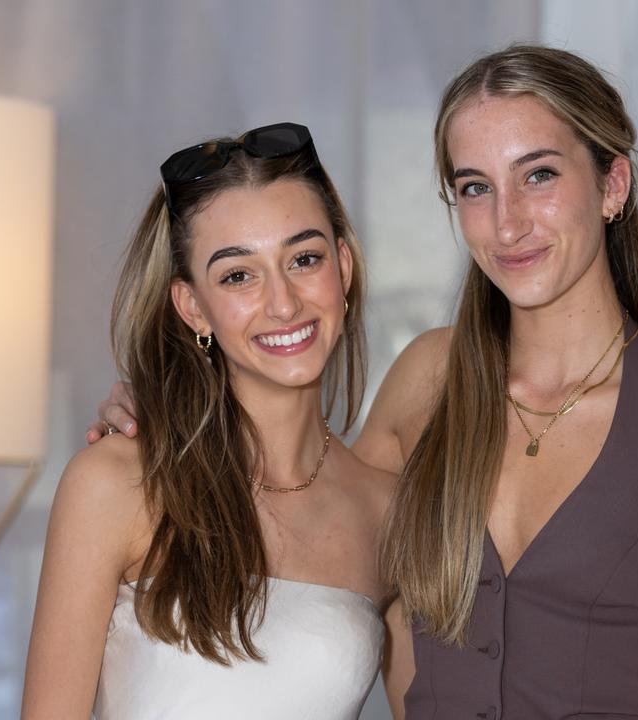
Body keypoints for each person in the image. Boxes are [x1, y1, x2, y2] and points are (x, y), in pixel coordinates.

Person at [93, 44, 638, 719]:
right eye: (475, 187)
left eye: (537, 175)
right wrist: (166, 413)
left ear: (612, 185)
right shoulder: (426, 378)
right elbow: (311, 542)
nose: (507, 222)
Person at [24, 122, 396, 719]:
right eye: (238, 275)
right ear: (192, 306)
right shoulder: (115, 484)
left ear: (343, 269)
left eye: (304, 259)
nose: (283, 303)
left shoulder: (388, 512)